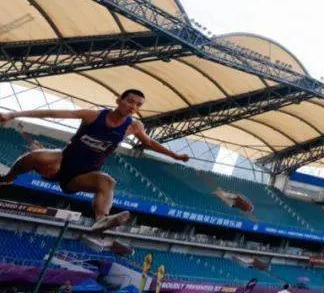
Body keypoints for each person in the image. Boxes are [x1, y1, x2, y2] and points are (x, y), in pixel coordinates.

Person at [0, 89, 190, 233]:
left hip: (82, 177)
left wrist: (175, 156)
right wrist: (13, 115)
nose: (133, 107)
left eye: (138, 105)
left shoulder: (133, 126)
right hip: (60, 164)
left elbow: (148, 142)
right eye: (130, 101)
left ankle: (101, 220)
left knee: (107, 181)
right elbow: (54, 113)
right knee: (38, 155)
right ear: (119, 101)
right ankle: (8, 178)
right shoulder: (94, 116)